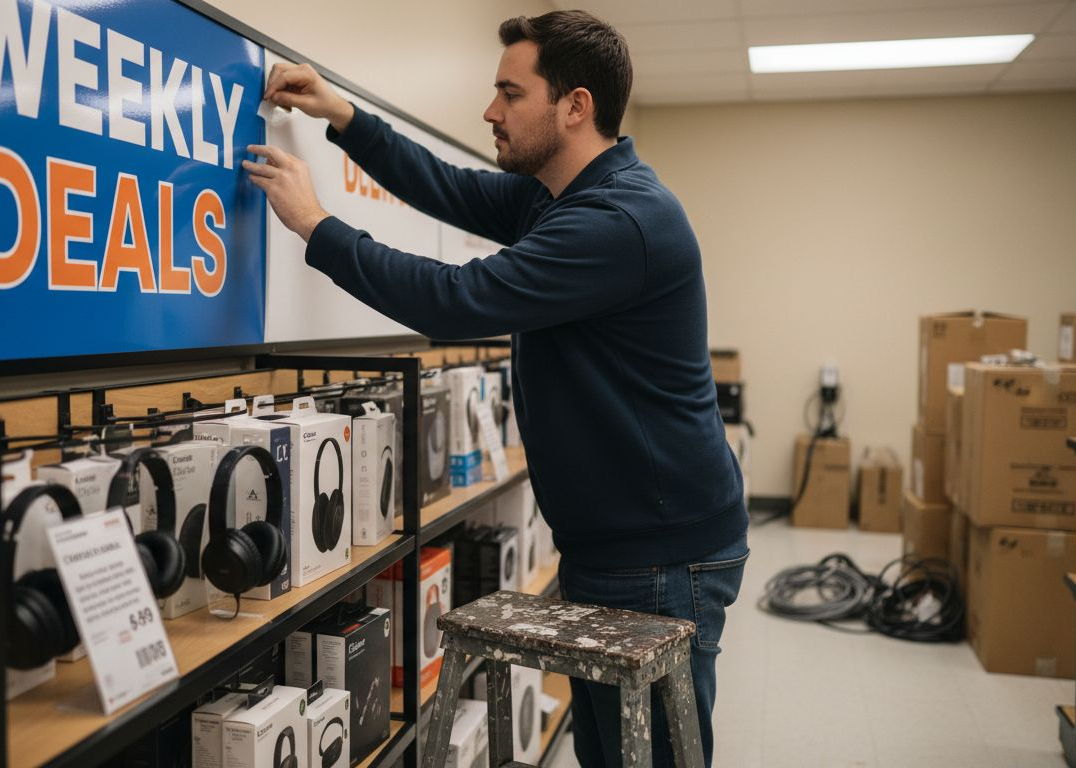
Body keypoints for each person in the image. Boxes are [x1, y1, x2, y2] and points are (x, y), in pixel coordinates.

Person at [245, 10, 747, 767]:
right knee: (608, 752)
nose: (490, 111)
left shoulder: (620, 220)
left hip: (661, 555)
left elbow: (456, 300)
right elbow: (448, 187)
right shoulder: (559, 196)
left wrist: (317, 225)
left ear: (575, 106)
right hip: (618, 543)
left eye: (510, 93)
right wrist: (341, 113)